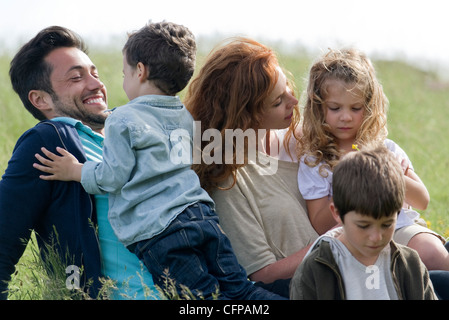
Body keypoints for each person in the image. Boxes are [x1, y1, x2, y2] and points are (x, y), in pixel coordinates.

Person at [33, 22, 283, 300]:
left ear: (140, 71)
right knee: (241, 291)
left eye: (125, 73)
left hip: (162, 231)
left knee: (201, 300)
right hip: (202, 216)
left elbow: (111, 178)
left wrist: (75, 170)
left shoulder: (122, 119)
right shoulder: (182, 115)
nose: (124, 80)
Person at [0, 26, 155, 300]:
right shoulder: (48, 142)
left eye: (94, 73)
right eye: (76, 77)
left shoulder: (132, 127)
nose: (96, 84)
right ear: (41, 99)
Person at [184, 37, 319, 297]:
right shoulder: (228, 178)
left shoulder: (311, 141)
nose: (294, 100)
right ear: (245, 115)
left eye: (288, 87)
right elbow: (262, 276)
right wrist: (332, 243)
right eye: (278, 101)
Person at [297, 48, 449, 271]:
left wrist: (387, 171)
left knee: (432, 253)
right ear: (319, 108)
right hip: (352, 238)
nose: (346, 116)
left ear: (368, 108)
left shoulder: (385, 148)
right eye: (335, 108)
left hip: (398, 228)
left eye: (356, 108)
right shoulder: (315, 161)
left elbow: (422, 201)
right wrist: (349, 178)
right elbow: (321, 224)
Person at [290, 145, 437, 300]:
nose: (376, 237)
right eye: (364, 225)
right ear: (337, 213)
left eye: (387, 224)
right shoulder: (317, 268)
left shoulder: (409, 264)